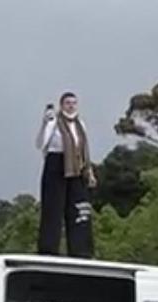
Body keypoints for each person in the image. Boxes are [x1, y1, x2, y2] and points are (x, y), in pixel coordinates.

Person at [35, 92, 97, 258]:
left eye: (74, 103)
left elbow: (84, 149)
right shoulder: (54, 123)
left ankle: (81, 250)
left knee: (79, 208)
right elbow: (40, 144)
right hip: (56, 163)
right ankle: (49, 249)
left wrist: (88, 170)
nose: (71, 106)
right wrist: (44, 123)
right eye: (68, 103)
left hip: (76, 166)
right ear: (61, 105)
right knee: (53, 209)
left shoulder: (80, 125)